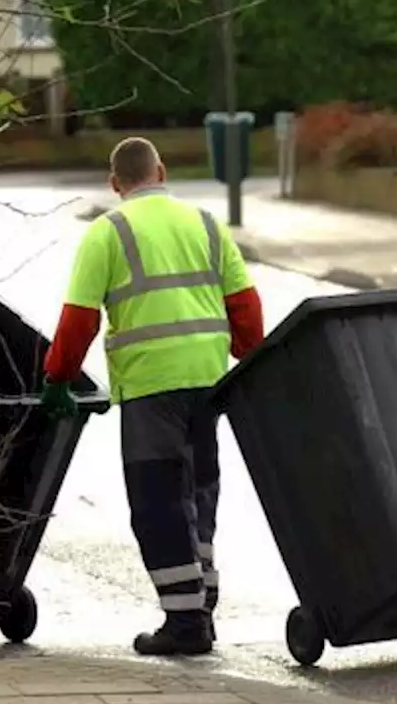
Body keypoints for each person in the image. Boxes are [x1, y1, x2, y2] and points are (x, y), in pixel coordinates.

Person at [39, 136, 265, 655]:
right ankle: (200, 598)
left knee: (158, 498)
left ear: (115, 183)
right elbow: (245, 307)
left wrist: (57, 380)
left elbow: (79, 321)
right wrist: (248, 358)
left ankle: (185, 622)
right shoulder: (207, 225)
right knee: (199, 487)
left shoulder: (108, 232)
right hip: (210, 382)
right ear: (161, 172)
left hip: (149, 386)